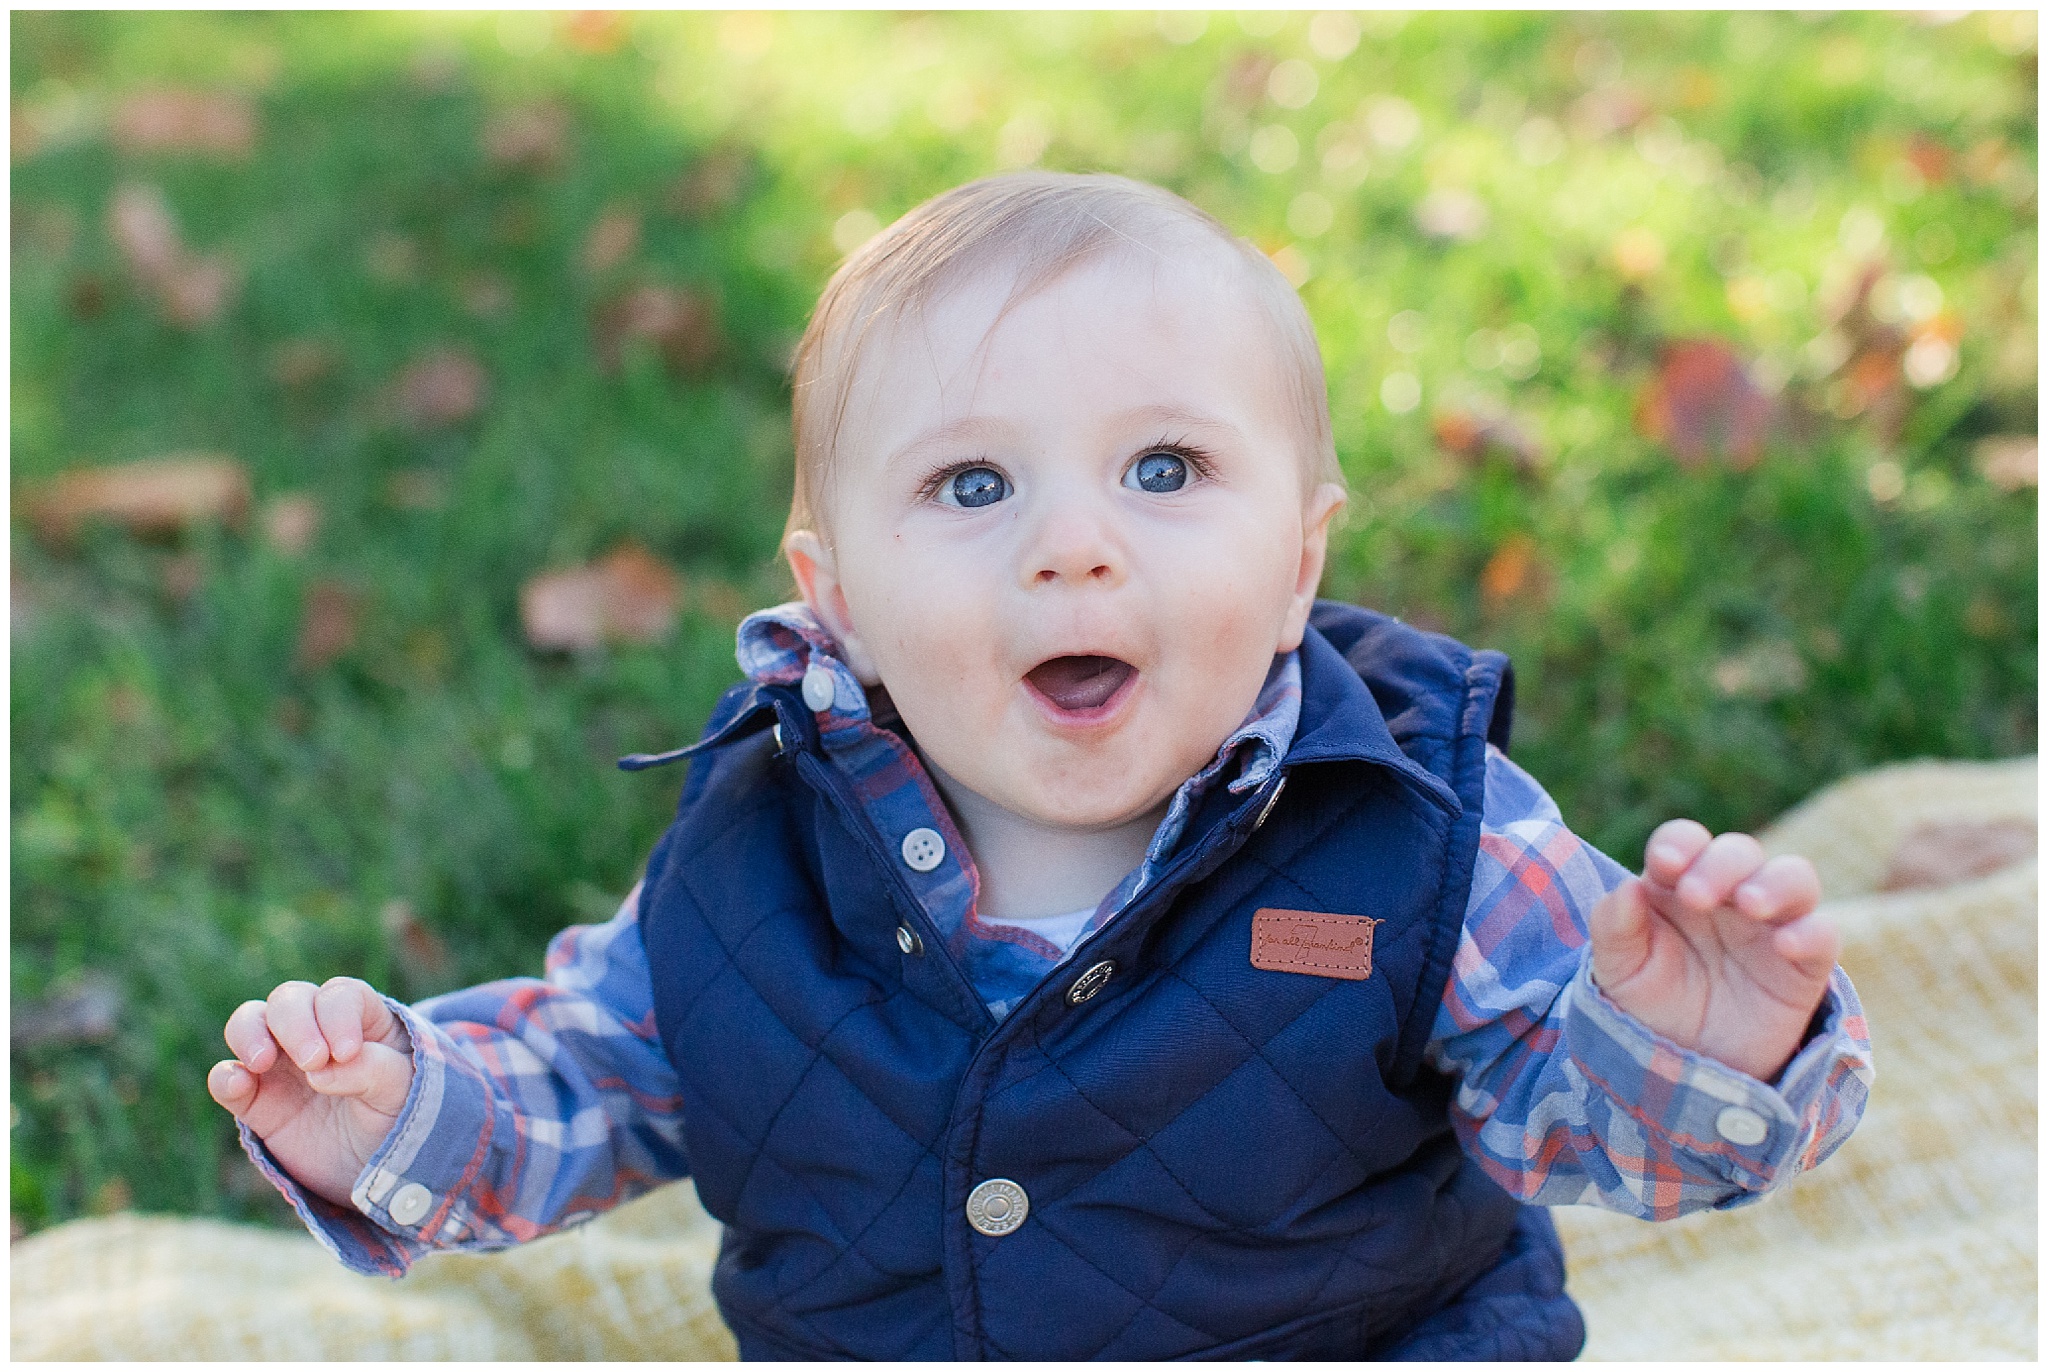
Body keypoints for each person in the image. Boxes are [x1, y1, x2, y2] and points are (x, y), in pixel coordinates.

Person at [208, 172, 1873, 1360]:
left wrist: (1692, 1050)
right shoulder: (752, 868)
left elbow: (1574, 1126)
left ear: (1300, 565)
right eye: (974, 487)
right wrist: (393, 1118)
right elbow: (584, 1085)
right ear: (834, 595)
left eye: (1164, 468)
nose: (1074, 549)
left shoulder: (1423, 835)